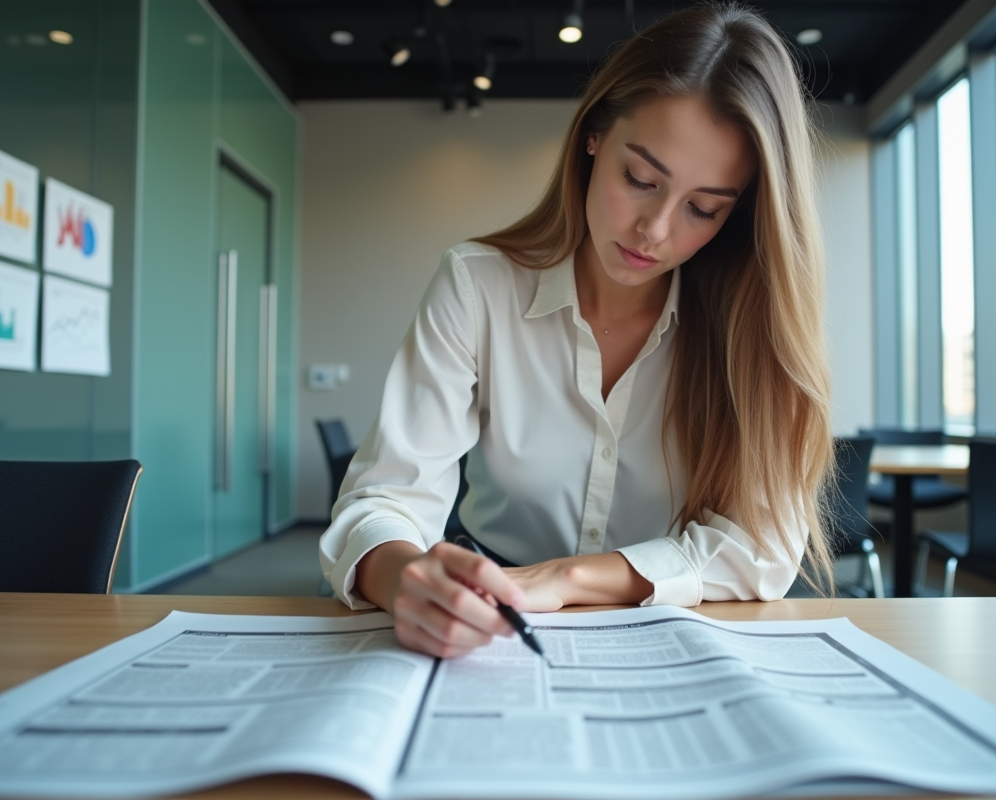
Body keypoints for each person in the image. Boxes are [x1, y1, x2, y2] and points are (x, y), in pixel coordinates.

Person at [319, 2, 835, 658]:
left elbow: (762, 550)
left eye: (703, 209)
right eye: (640, 179)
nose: (655, 230)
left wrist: (566, 580)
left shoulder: (752, 325)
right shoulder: (479, 285)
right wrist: (406, 580)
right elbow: (384, 497)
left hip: (669, 630)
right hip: (490, 620)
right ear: (593, 135)